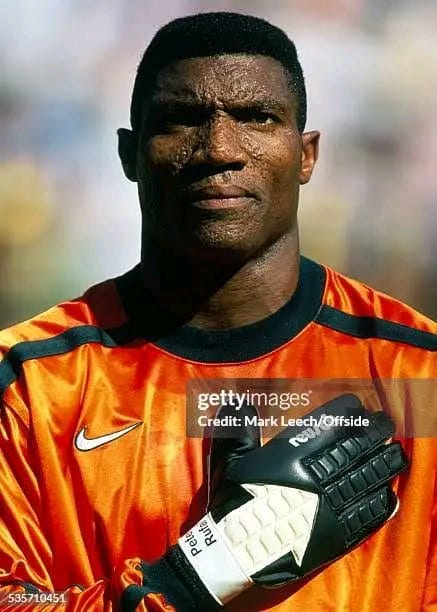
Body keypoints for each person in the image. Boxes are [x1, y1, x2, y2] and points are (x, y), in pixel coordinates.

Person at [0, 12, 435, 611]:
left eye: (258, 118)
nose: (220, 150)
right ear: (129, 153)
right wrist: (195, 579)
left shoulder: (419, 376)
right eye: (181, 120)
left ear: (306, 155)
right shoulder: (29, 382)